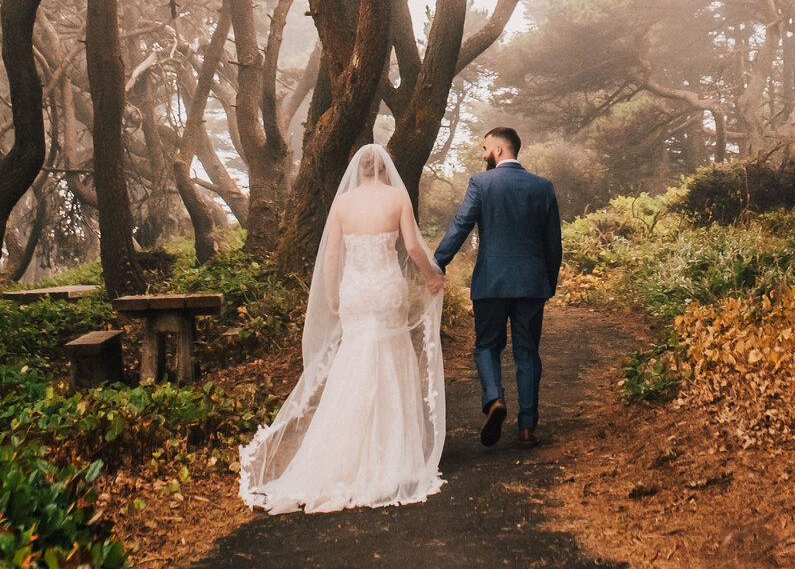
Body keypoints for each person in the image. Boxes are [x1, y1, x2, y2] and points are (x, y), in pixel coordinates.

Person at [239, 143, 447, 513]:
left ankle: (340, 455)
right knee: (389, 358)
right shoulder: (398, 197)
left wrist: (333, 294)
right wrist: (432, 276)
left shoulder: (343, 203)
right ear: (385, 169)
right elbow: (413, 247)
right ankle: (393, 454)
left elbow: (332, 254)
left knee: (355, 361)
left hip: (355, 290)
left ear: (358, 169)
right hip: (385, 289)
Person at [433, 127, 562, 448]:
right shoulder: (542, 188)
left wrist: (437, 263)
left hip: (490, 283)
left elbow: (461, 224)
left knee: (487, 346)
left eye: (485, 148)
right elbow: (553, 243)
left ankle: (494, 400)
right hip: (532, 284)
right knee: (527, 353)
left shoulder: (482, 183)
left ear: (500, 151)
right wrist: (547, 282)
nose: (482, 154)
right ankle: (527, 427)